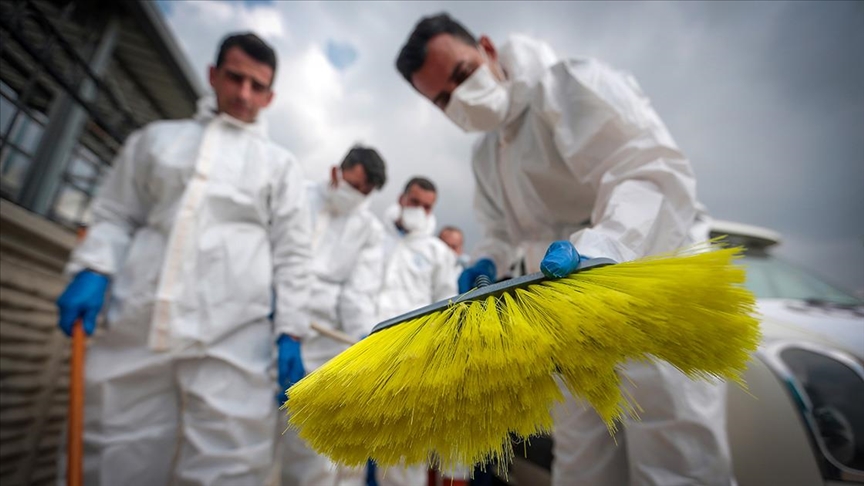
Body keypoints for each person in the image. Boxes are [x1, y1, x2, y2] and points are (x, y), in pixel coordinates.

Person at [395, 13, 729, 486]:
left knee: (675, 457)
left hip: (654, 280)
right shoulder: (487, 153)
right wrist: (488, 260)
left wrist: (601, 248)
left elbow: (649, 175)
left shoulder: (570, 85)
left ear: (488, 49)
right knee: (581, 454)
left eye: (463, 75)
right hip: (568, 308)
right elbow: (500, 228)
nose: (460, 100)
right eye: (444, 99)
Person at [54, 32, 312, 485]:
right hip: (138, 326)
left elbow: (293, 255)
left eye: (257, 86)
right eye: (234, 78)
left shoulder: (280, 166)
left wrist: (290, 330)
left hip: (234, 341)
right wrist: (94, 267)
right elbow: (116, 214)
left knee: (228, 466)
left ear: (270, 96)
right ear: (213, 75)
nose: (243, 94)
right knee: (111, 453)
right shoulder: (156, 141)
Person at [279, 145, 388, 486]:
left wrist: (363, 344)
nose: (356, 196)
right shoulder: (297, 195)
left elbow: (357, 294)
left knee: (310, 456)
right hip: (267, 324)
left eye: (364, 193)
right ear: (336, 171)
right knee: (239, 445)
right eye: (353, 185)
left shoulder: (368, 230)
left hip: (320, 344)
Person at [373, 177, 458, 486]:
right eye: (415, 202)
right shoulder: (373, 237)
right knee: (342, 453)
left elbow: (443, 309)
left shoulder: (438, 253)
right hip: (360, 351)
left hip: (408, 362)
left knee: (403, 455)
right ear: (401, 198)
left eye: (427, 206)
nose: (420, 210)